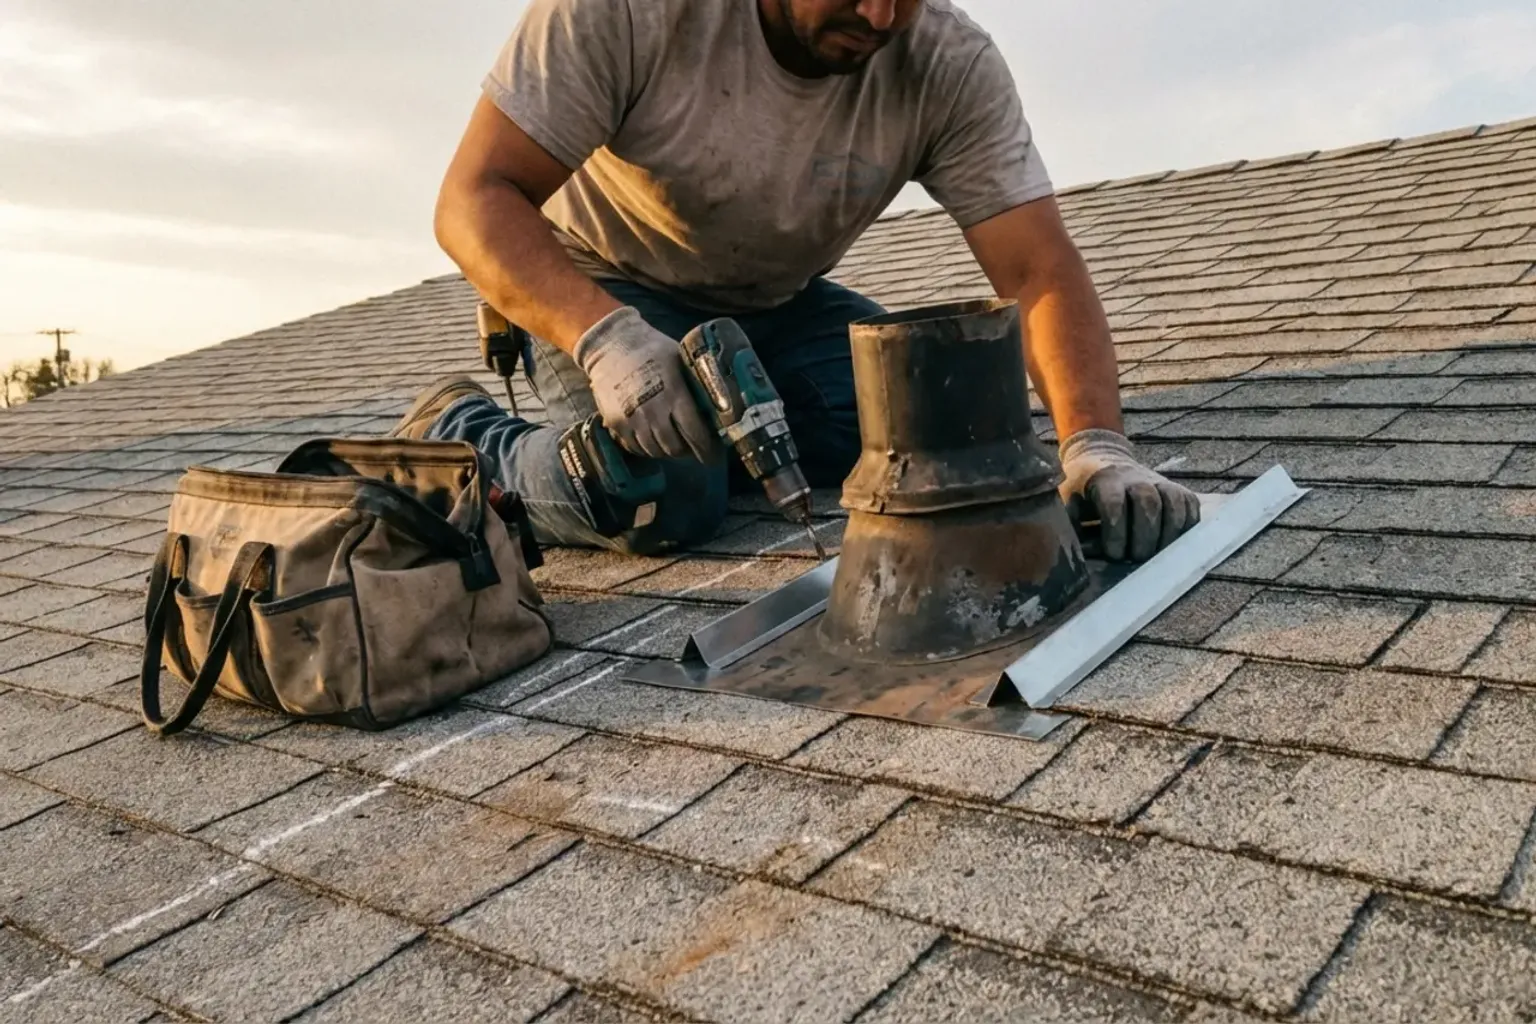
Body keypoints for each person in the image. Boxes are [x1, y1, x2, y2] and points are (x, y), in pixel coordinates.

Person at [393, 0, 1200, 563]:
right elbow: (473, 199)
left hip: (776, 303)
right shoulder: (631, 10)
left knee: (942, 437)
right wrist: (606, 341)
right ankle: (463, 437)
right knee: (665, 489)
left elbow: (1037, 270)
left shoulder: (948, 63)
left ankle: (729, 430)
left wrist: (1096, 447)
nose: (880, 16)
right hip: (598, 284)